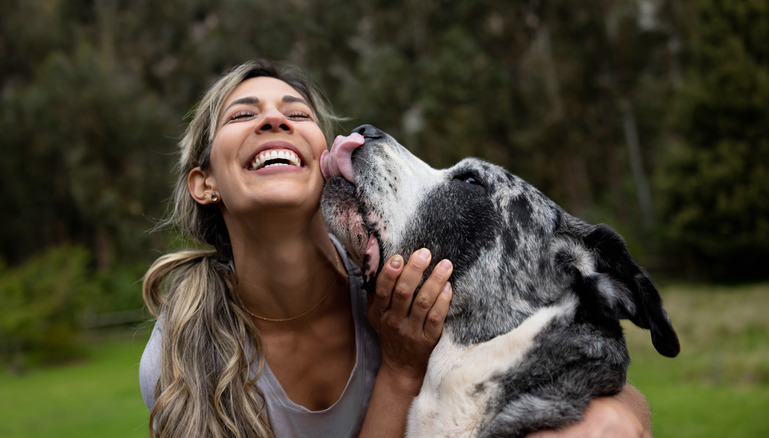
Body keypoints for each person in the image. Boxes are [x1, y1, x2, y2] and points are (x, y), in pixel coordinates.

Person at [139, 59, 653, 438]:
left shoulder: (414, 286)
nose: (274, 121)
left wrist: (618, 417)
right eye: (241, 115)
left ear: (325, 156)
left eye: (296, 112)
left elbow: (573, 362)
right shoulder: (182, 353)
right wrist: (402, 366)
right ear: (204, 183)